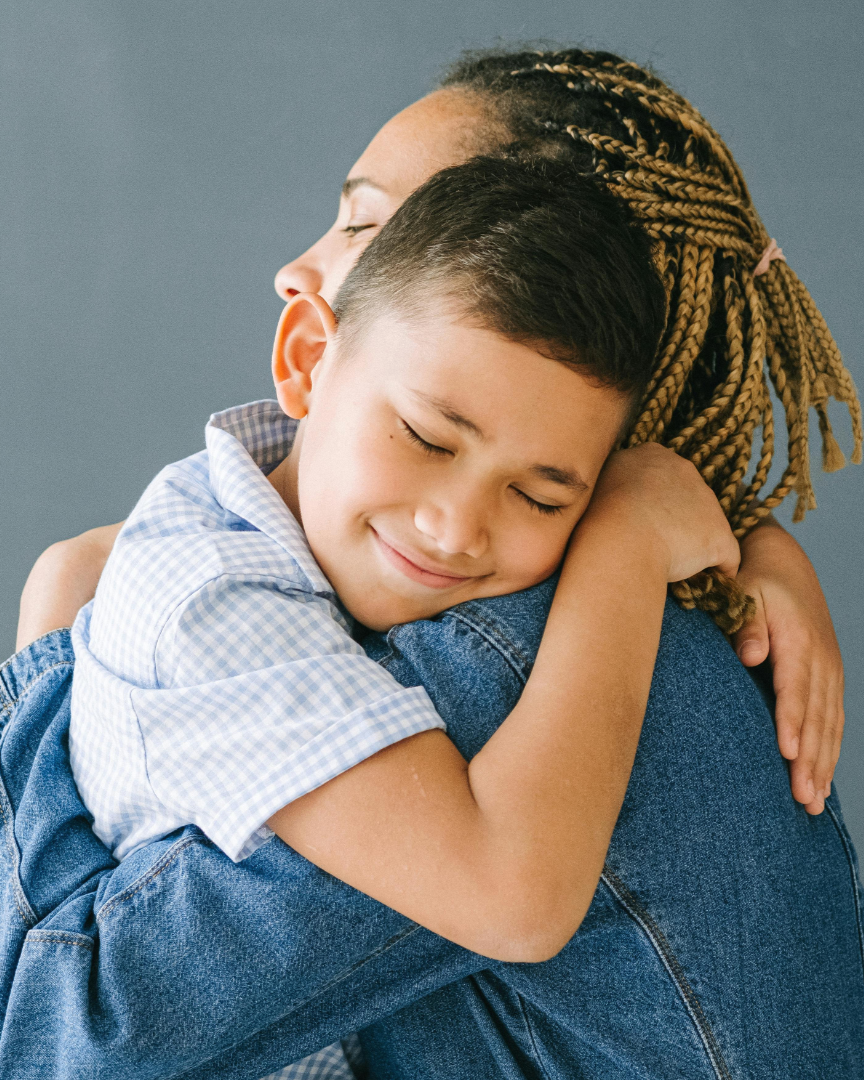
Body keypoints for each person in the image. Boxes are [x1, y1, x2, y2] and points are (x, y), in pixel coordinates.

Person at [5, 47, 863, 1079]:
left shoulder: (523, 667)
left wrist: (53, 678)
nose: (298, 263)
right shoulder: (521, 570)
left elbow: (68, 1035)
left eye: (373, 223)